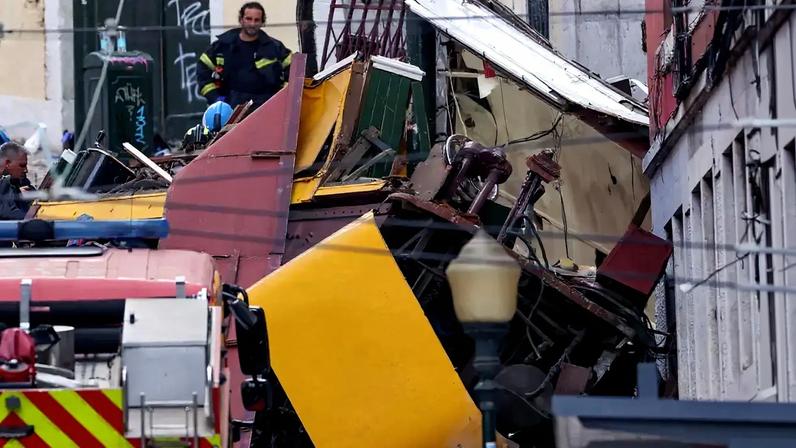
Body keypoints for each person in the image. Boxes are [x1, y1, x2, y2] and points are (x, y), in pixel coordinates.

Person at [196, 2, 293, 111]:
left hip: (266, 107)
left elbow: (294, 69)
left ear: (262, 22)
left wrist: (282, 96)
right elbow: (202, 70)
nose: (252, 24)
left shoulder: (274, 47)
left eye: (257, 20)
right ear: (241, 20)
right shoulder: (222, 46)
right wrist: (216, 99)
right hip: (231, 108)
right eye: (248, 19)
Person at [0, 142, 35, 220]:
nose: (26, 170)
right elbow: (6, 212)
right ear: (7, 164)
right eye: (22, 165)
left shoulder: (17, 180)